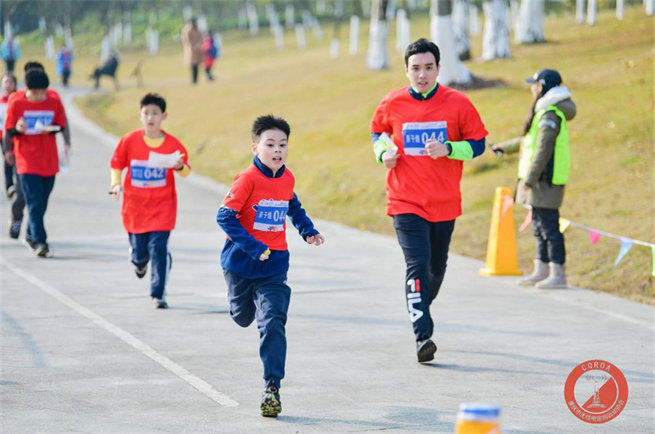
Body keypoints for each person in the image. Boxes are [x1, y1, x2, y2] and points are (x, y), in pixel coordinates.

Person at [369, 38, 487, 363]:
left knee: (436, 268)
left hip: (444, 202)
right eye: (416, 68)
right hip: (404, 200)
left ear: (438, 68)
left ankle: (418, 305)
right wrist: (384, 153)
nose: (422, 75)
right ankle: (423, 334)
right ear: (406, 70)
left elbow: (478, 144)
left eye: (429, 68)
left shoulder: (458, 102)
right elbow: (377, 132)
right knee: (417, 265)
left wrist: (450, 148)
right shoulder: (392, 102)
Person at [216, 115, 325, 417]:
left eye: (283, 145)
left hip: (274, 266)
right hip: (240, 265)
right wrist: (253, 247)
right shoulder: (247, 179)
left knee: (273, 322)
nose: (277, 150)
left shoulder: (287, 178)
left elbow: (293, 206)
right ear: (255, 147)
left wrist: (308, 230)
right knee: (242, 318)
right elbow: (224, 217)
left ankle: (272, 387)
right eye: (270, 145)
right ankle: (241, 303)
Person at [491, 68, 576, 289]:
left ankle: (558, 274)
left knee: (549, 228)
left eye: (534, 84)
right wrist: (504, 147)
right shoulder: (544, 110)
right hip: (540, 179)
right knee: (539, 227)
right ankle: (542, 270)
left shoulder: (550, 114)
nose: (531, 88)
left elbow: (543, 149)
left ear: (542, 87)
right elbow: (529, 140)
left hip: (545, 180)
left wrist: (529, 179)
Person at [110, 93, 190, 309]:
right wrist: (116, 185)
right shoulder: (129, 140)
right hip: (135, 208)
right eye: (146, 113)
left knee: (159, 249)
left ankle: (158, 293)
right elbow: (117, 164)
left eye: (155, 113)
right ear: (140, 115)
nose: (151, 117)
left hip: (162, 208)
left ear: (164, 116)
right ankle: (138, 261)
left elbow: (186, 171)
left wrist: (179, 166)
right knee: (140, 254)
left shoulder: (172, 144)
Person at [4, 61, 72, 240]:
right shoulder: (16, 101)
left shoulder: (53, 99)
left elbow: (62, 124)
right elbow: (8, 129)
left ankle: (32, 231)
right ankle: (38, 240)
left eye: (43, 91)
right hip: (25, 160)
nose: (40, 95)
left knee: (41, 201)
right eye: (36, 92)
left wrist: (64, 140)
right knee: (28, 197)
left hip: (48, 161)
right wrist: (8, 148)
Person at [1, 73, 17, 199]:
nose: (8, 85)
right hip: (2, 136)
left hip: (15, 135)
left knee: (15, 160)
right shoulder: (1, 101)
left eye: (10, 82)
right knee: (7, 160)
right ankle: (9, 186)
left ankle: (18, 184)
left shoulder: (18, 100)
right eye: (5, 82)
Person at [180, 18, 203, 84]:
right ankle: (193, 80)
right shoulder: (187, 30)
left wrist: (199, 44)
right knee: (193, 66)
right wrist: (193, 45)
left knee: (197, 66)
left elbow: (201, 38)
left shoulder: (197, 30)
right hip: (191, 51)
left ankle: (196, 80)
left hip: (197, 50)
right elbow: (186, 40)